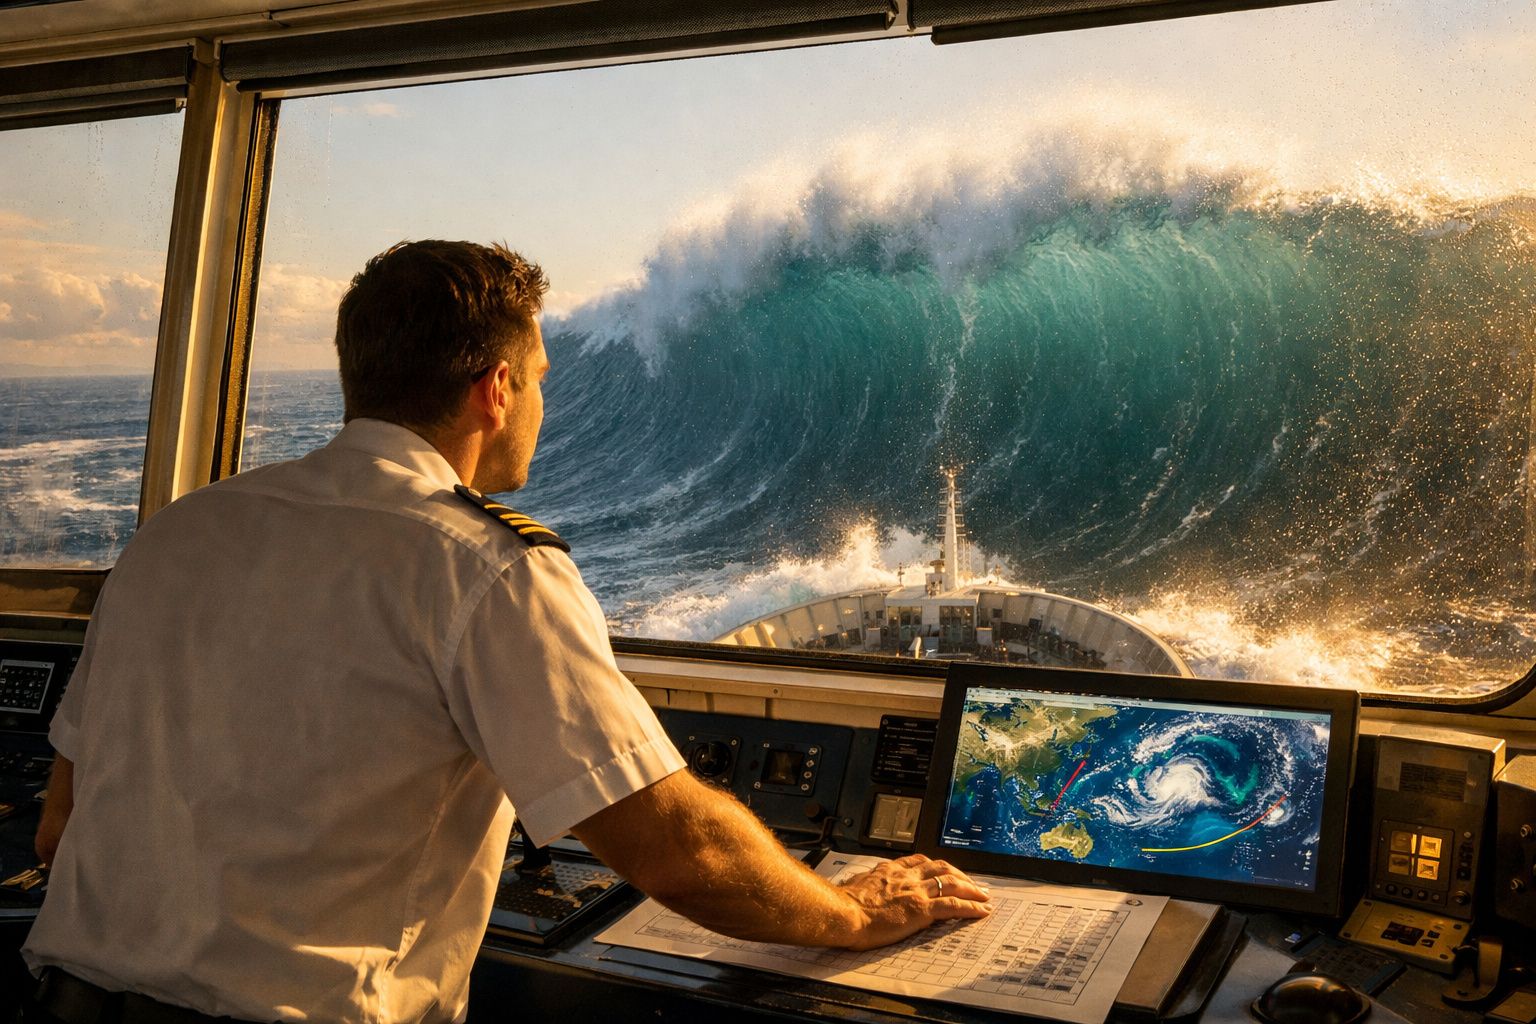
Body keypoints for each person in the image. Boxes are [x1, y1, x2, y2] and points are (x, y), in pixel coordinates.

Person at [20, 240, 991, 1024]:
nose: (541, 403)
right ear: (494, 388)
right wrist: (853, 910)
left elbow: (62, 824)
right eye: (538, 379)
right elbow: (671, 848)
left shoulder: (174, 536)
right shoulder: (485, 566)